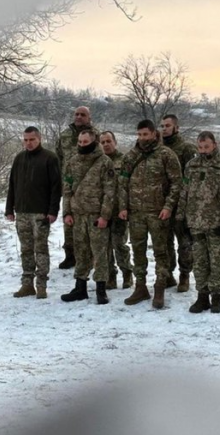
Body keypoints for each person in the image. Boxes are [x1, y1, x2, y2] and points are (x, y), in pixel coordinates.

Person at [118, 120, 183, 309]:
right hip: (136, 212)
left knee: (161, 251)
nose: (142, 138)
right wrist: (123, 207)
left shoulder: (166, 155)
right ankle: (140, 287)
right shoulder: (131, 156)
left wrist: (168, 206)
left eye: (145, 134)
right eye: (139, 135)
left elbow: (177, 184)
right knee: (138, 250)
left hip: (158, 213)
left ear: (154, 134)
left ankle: (160, 287)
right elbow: (122, 183)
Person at [176, 131, 220, 314]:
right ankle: (202, 295)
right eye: (200, 147)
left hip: (217, 223)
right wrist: (180, 217)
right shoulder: (191, 165)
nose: (203, 150)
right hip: (195, 221)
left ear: (214, 145)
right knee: (200, 262)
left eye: (206, 146)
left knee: (218, 261)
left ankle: (217, 296)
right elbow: (184, 192)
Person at [6, 126, 62, 299]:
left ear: (39, 139)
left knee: (41, 249)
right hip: (22, 212)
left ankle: (42, 285)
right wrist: (9, 208)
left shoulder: (50, 158)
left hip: (40, 213)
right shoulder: (19, 158)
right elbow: (12, 185)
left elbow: (56, 187)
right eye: (26, 140)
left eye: (32, 139)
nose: (29, 143)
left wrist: (53, 211)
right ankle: (27, 284)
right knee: (26, 249)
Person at [61, 129, 116, 304]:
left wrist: (105, 216)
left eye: (86, 142)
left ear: (94, 142)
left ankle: (101, 289)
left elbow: (110, 192)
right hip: (78, 215)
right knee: (81, 252)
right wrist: (67, 213)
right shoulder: (72, 162)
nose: (82, 145)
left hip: (96, 216)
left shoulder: (105, 162)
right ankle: (80, 287)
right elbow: (67, 189)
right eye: (80, 142)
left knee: (100, 253)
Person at [55, 106, 97, 270]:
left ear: (89, 117)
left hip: (90, 186)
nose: (79, 117)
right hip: (69, 185)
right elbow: (59, 158)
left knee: (89, 222)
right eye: (76, 114)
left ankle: (91, 256)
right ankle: (70, 255)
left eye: (83, 115)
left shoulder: (96, 135)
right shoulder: (65, 135)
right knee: (69, 220)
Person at [160, 114, 197, 292]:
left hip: (182, 204)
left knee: (184, 243)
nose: (164, 128)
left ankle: (185, 274)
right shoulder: (158, 149)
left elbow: (192, 176)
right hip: (163, 203)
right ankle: (168, 273)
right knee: (165, 242)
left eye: (168, 125)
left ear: (176, 127)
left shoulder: (186, 149)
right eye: (162, 126)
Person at [100, 131, 133, 290]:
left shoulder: (125, 160)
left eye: (108, 141)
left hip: (120, 211)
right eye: (103, 142)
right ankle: (110, 276)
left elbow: (127, 186)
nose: (106, 144)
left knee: (119, 244)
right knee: (104, 246)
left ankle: (127, 273)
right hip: (103, 212)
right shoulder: (99, 162)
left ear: (115, 142)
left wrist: (125, 207)